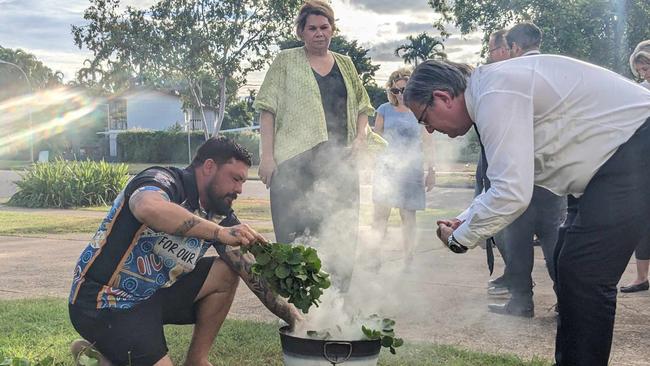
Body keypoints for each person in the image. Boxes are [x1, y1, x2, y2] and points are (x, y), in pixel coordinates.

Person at [404, 57, 650, 365]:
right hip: (614, 161)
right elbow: (506, 179)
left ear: (442, 97)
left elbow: (511, 192)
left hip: (636, 146)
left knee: (585, 275)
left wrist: (459, 239)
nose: (429, 130)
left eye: (424, 118)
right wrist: (464, 220)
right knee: (570, 266)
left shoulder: (495, 94)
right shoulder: (490, 90)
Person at [68, 137, 302, 366]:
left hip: (153, 296)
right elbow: (147, 207)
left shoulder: (219, 212)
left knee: (227, 271)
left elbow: (252, 272)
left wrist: (299, 322)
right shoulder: (164, 180)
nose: (239, 189)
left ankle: (196, 360)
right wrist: (219, 233)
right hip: (105, 302)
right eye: (235, 179)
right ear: (209, 166)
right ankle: (103, 356)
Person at [254, 0, 374, 290]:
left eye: (325, 27)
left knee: (340, 230)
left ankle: (338, 300)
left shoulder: (346, 64)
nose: (319, 33)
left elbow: (363, 108)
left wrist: (360, 140)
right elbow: (267, 110)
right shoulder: (285, 61)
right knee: (296, 234)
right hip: (295, 162)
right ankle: (300, 301)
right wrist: (267, 157)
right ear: (301, 32)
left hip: (340, 164)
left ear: (333, 29)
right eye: (312, 28)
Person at [487, 22, 566, 317]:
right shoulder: (557, 70)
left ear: (516, 48)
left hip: (519, 170)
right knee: (555, 239)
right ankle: (568, 301)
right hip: (554, 170)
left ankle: (521, 302)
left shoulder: (511, 73)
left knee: (517, 238)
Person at [371, 67, 435, 267]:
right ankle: (375, 258)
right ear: (391, 90)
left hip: (412, 170)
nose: (400, 94)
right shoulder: (383, 110)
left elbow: (427, 143)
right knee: (381, 217)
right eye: (396, 90)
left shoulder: (420, 110)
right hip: (387, 170)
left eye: (404, 90)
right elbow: (375, 139)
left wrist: (431, 170)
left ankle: (408, 259)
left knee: (408, 218)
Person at [479, 29, 511, 295]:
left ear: (503, 50)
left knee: (509, 224)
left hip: (507, 160)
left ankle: (520, 284)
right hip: (494, 158)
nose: (489, 56)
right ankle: (514, 275)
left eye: (490, 50)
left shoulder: (505, 79)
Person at [620, 39, 650, 293]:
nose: (644, 74)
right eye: (640, 70)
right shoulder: (640, 93)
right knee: (643, 221)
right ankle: (641, 278)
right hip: (643, 165)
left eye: (647, 68)